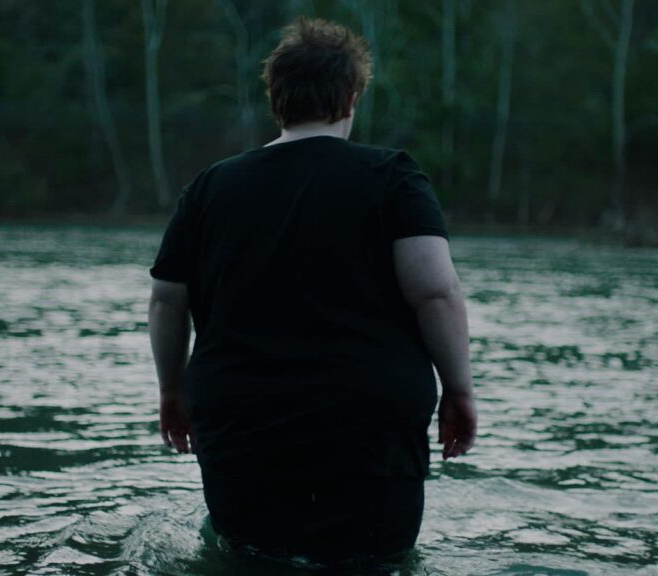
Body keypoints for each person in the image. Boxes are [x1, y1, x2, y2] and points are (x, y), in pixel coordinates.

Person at [148, 16, 477, 562]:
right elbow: (436, 292)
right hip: (368, 428)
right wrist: (459, 391)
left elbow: (166, 299)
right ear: (351, 96)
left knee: (253, 557)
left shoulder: (212, 186)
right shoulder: (393, 176)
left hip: (241, 423)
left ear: (277, 96)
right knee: (369, 561)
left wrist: (171, 392)